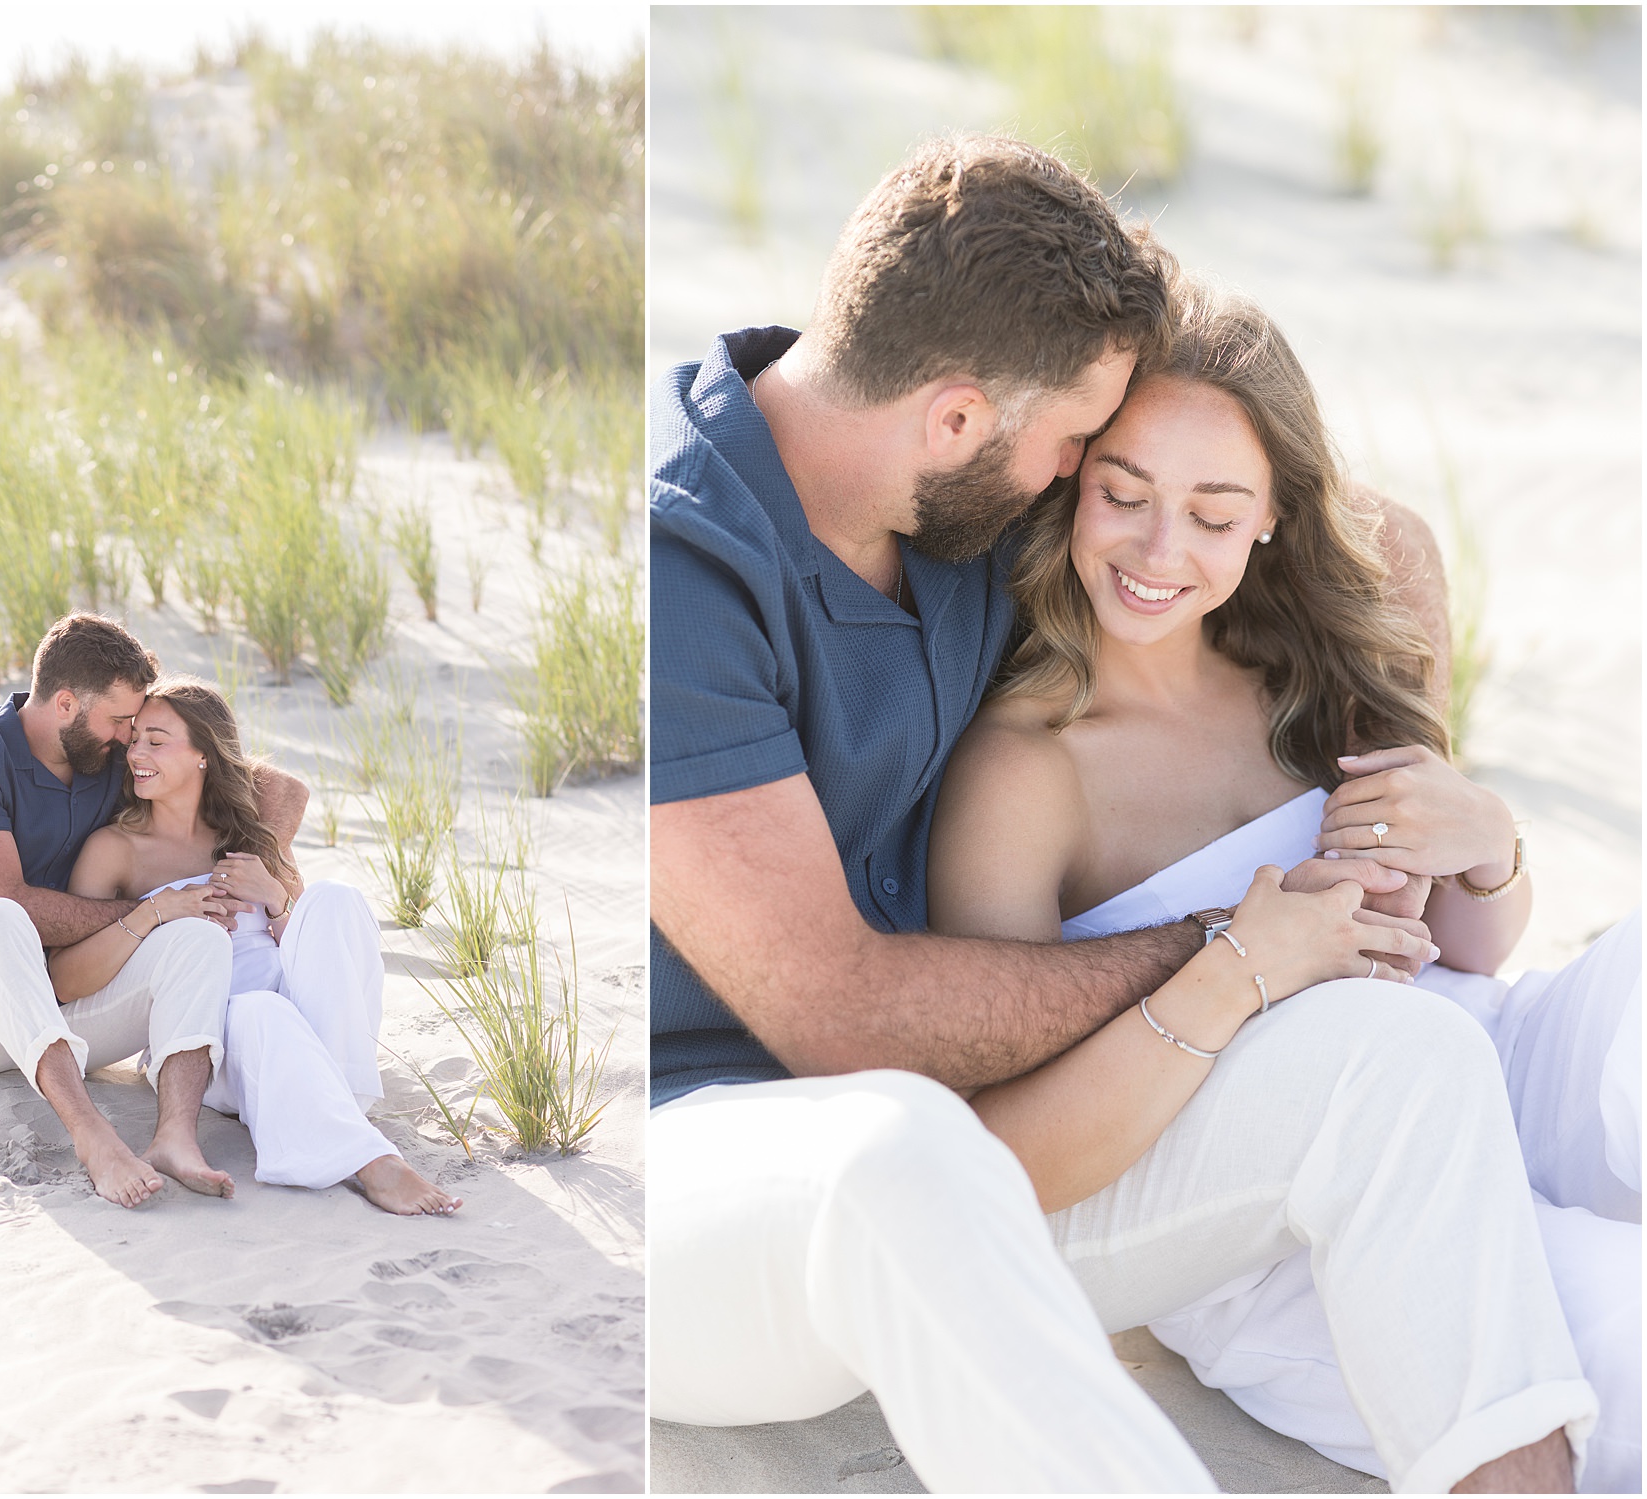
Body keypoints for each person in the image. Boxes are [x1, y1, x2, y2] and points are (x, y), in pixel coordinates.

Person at [650, 133, 1592, 1491]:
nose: (1076, 475)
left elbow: (1344, 518)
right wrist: (1230, 944)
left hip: (999, 1176)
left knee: (1398, 1058)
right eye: (1080, 447)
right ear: (963, 418)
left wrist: (1414, 788)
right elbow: (844, 1018)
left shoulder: (950, 495)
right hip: (729, 1196)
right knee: (901, 1148)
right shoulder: (685, 570)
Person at [927, 273, 1638, 1490]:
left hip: (1488, 1053)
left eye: (1213, 511)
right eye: (1123, 494)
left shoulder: (1299, 664)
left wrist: (1480, 835)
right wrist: (1242, 970)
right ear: (1070, 483)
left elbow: (1472, 950)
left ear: (1269, 517)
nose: (1159, 552)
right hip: (1288, 1216)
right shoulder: (1027, 770)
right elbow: (1007, 1158)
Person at [0, 612, 304, 1209]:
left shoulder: (106, 754)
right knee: (1, 918)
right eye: (119, 721)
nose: (128, 737)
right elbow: (10, 903)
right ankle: (94, 1138)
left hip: (66, 1000)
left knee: (198, 935)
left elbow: (281, 788)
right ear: (65, 703)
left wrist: (240, 870)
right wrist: (150, 910)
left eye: (135, 725)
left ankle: (175, 1138)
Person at [48, 675, 460, 1216]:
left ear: (203, 757)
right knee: (262, 1012)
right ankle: (374, 1163)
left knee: (334, 900)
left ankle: (335, 1099)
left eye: (156, 739)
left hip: (301, 1026)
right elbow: (66, 978)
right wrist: (157, 915)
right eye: (134, 739)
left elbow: (310, 953)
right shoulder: (117, 848)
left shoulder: (244, 838)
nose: (136, 754)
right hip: (215, 1045)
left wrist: (274, 900)